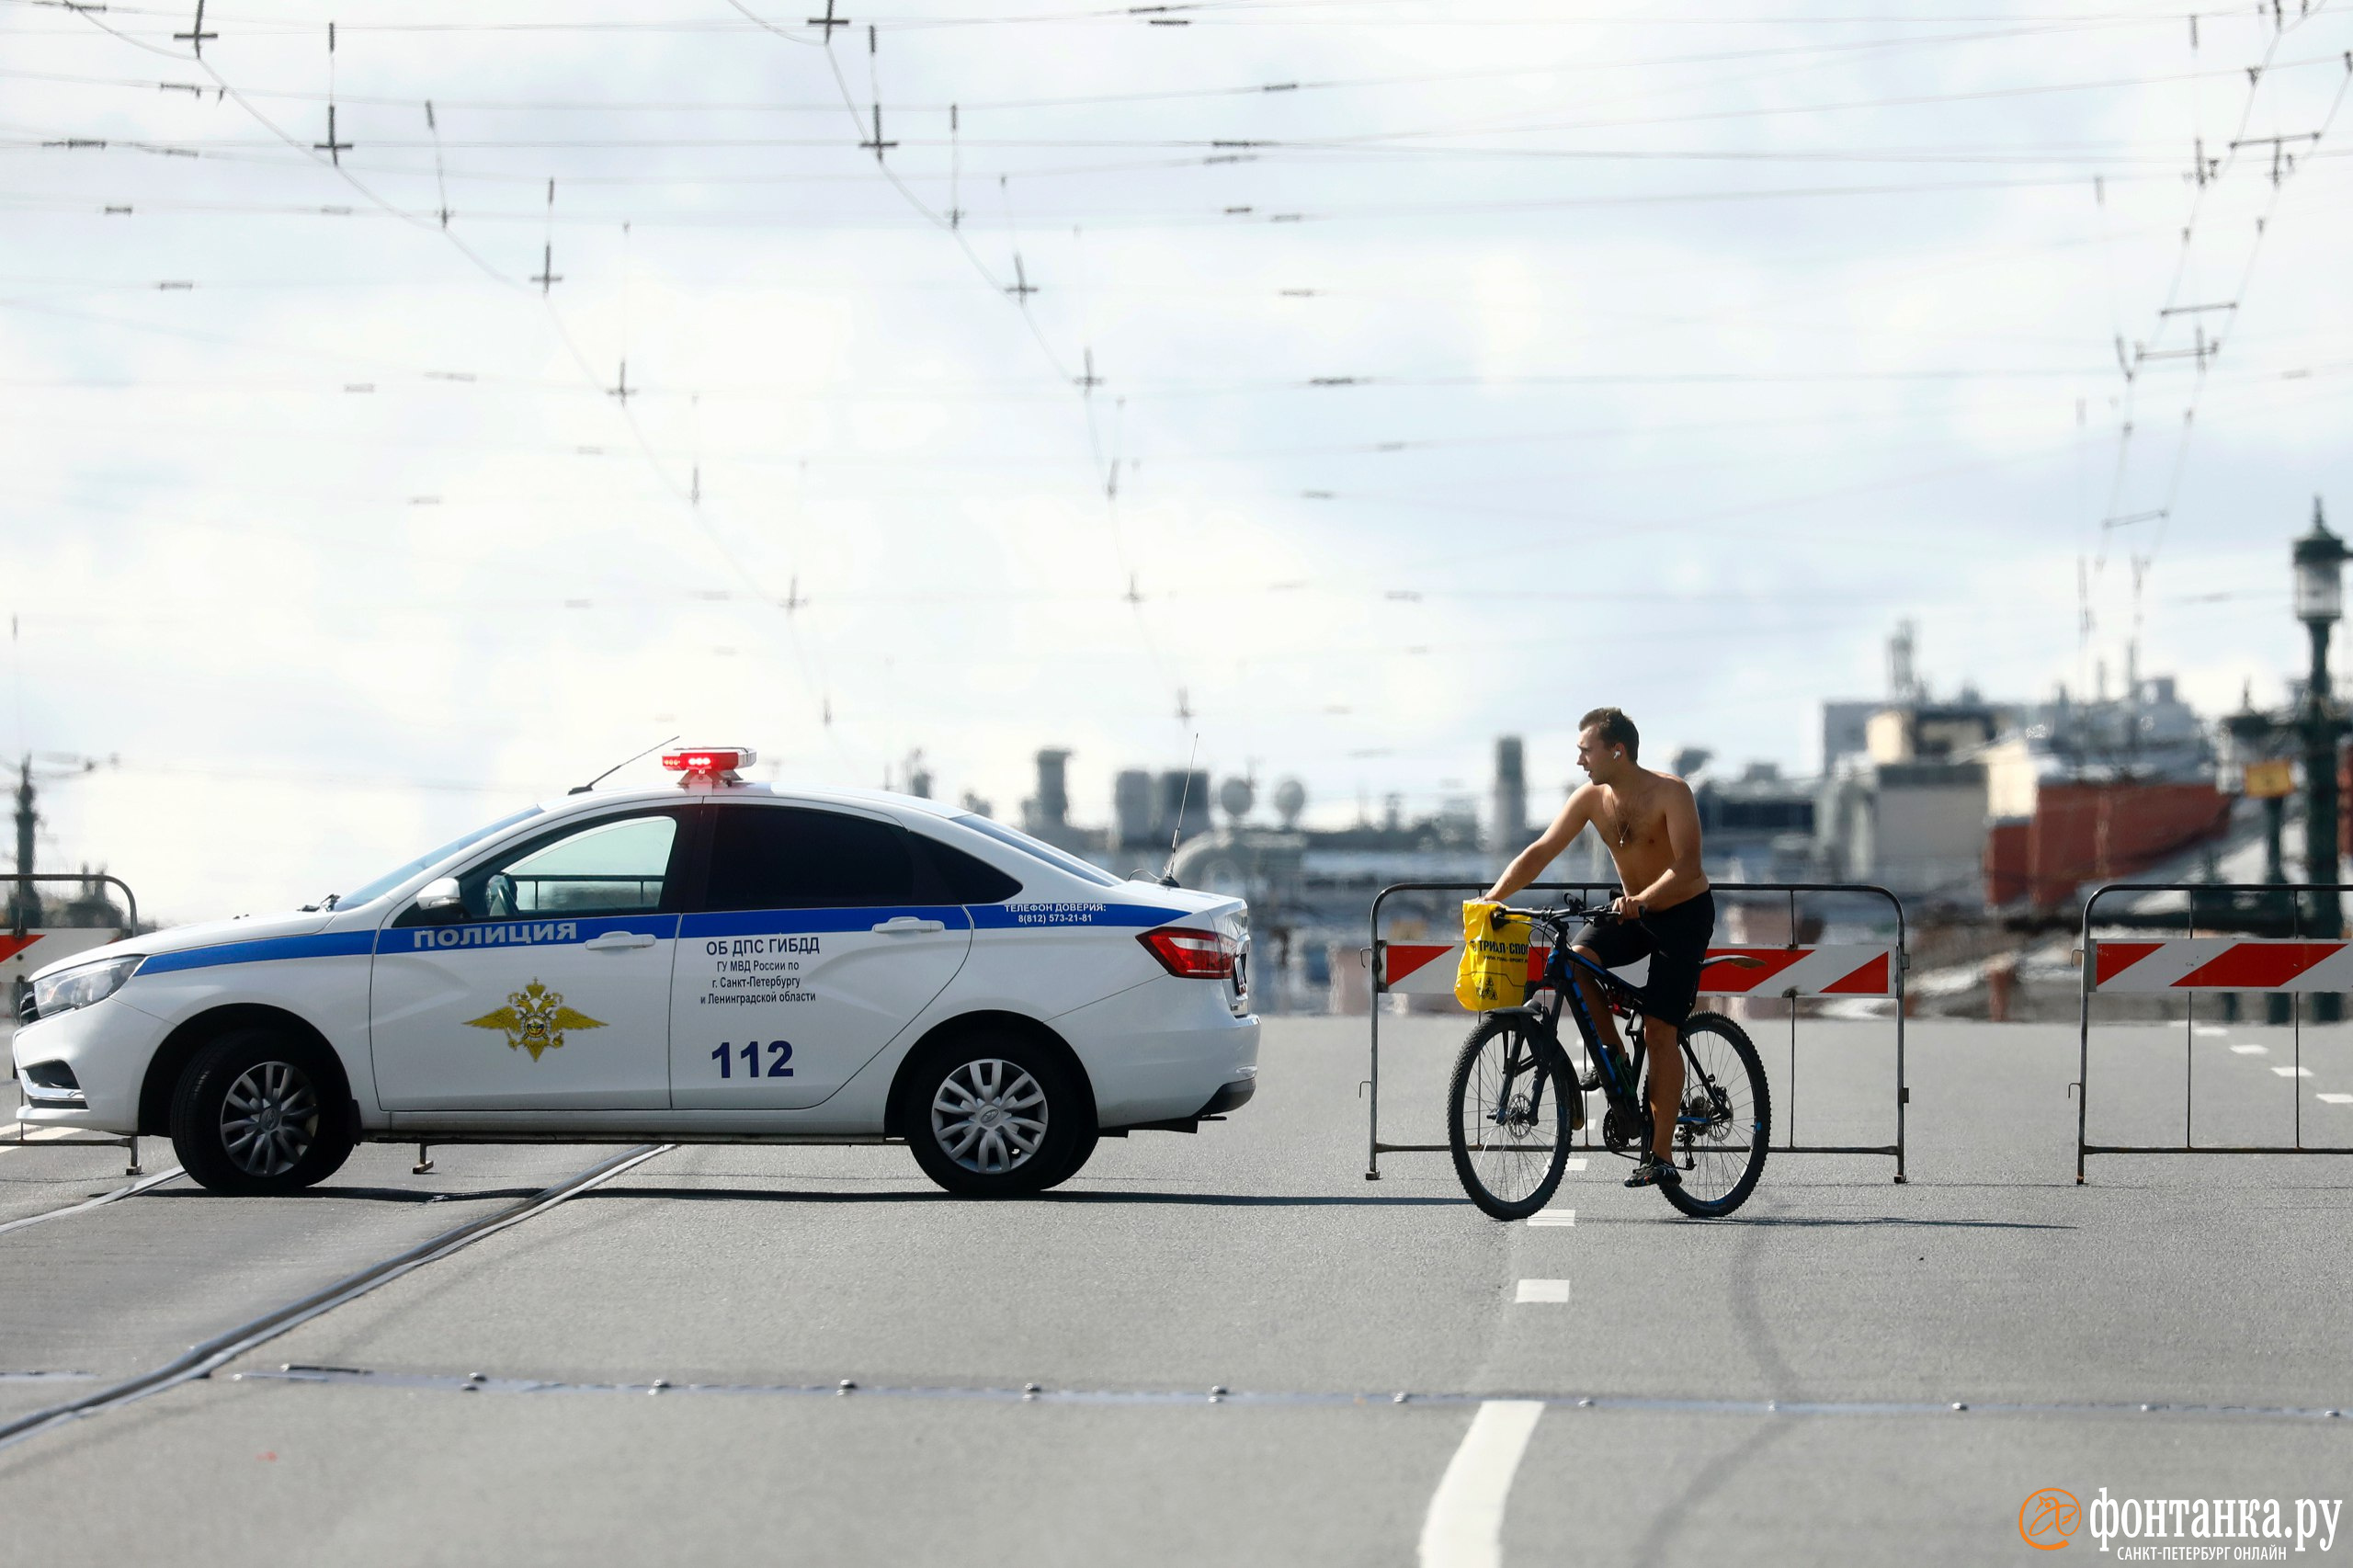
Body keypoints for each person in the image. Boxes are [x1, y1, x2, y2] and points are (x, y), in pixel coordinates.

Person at [1480, 706, 1713, 1188]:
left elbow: (1688, 866)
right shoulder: (1590, 799)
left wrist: (1644, 901)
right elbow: (1541, 850)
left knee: (1659, 1029)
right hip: (1631, 910)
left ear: (1617, 750)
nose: (1580, 760)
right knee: (1577, 961)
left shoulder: (1672, 792)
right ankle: (1616, 1064)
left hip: (1681, 913)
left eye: (1586, 750)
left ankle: (1662, 1155)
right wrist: (1492, 899)